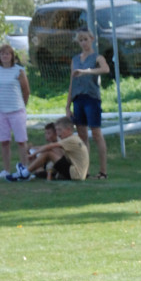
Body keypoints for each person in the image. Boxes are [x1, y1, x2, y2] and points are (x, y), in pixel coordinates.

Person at [65, 28, 110, 179]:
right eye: (81, 40)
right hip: (78, 99)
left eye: (86, 39)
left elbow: (105, 69)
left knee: (96, 133)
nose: (84, 42)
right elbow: (72, 82)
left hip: (91, 99)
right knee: (82, 135)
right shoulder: (75, 60)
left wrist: (86, 71)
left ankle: (103, 171)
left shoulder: (97, 57)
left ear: (92, 39)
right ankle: (85, 170)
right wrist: (67, 105)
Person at [6, 116, 89, 182]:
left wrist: (34, 153)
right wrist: (34, 149)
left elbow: (50, 147)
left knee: (49, 152)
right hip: (78, 173)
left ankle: (25, 173)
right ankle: (25, 172)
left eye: (60, 130)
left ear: (68, 129)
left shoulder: (70, 139)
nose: (58, 133)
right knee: (51, 151)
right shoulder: (74, 139)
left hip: (76, 174)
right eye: (57, 130)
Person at [0, 43, 30, 179]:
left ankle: (25, 168)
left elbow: (26, 90)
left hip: (17, 110)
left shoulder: (19, 71)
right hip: (1, 111)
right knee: (4, 141)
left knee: (21, 141)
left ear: (12, 56)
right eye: (2, 54)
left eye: (7, 54)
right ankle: (6, 169)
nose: (5, 56)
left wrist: (22, 105)